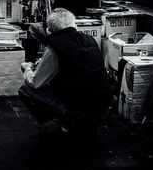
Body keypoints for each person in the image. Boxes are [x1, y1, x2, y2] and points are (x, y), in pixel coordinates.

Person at [19, 8, 113, 140]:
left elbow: (36, 82)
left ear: (48, 30)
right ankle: (75, 123)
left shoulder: (54, 46)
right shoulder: (90, 39)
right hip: (102, 105)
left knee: (26, 89)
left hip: (78, 108)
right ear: (74, 25)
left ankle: (63, 124)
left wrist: (27, 68)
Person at [24, 0, 99, 62]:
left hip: (65, 34)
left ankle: (30, 63)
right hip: (87, 32)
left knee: (33, 28)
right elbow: (95, 9)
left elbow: (54, 22)